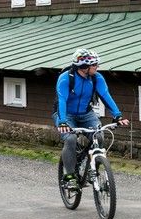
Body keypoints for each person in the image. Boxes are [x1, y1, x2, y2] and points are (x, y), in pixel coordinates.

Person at [55, 49, 129, 188]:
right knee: (70, 139)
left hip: (86, 113)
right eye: (94, 64)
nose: (97, 67)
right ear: (84, 67)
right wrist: (63, 121)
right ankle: (70, 176)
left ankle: (92, 168)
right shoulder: (65, 78)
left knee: (99, 136)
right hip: (66, 114)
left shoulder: (97, 78)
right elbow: (62, 100)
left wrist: (117, 115)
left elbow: (106, 96)